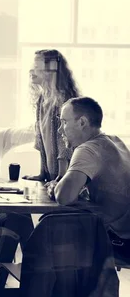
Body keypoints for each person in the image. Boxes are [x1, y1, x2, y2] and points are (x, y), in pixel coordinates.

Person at [50, 96, 130, 264]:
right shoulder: (115, 141)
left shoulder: (88, 149)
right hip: (125, 235)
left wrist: (56, 187)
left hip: (120, 242)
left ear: (82, 122)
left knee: (52, 229)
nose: (60, 130)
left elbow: (64, 197)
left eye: (64, 122)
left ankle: (48, 288)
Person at [23, 49, 80, 186]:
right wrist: (43, 174)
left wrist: (61, 177)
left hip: (67, 178)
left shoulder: (64, 100)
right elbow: (41, 139)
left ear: (51, 70)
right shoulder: (42, 99)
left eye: (36, 67)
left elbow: (65, 140)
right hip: (52, 177)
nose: (31, 70)